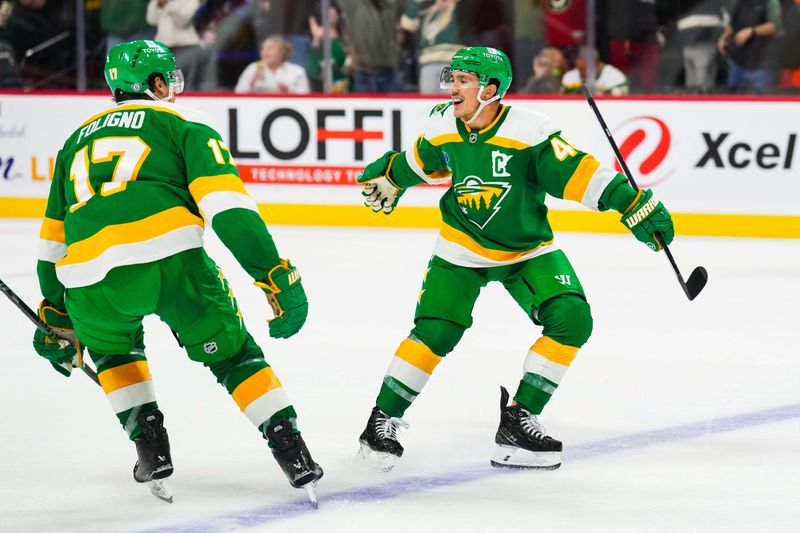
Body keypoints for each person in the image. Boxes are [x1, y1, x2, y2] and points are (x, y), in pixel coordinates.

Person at [354, 46, 674, 471]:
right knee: (435, 332)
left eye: (463, 81)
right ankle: (381, 421)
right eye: (452, 79)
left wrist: (629, 201)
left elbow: (578, 173)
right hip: (460, 246)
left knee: (572, 318)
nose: (452, 88)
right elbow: (424, 159)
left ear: (490, 90)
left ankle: (518, 421)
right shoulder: (443, 123)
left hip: (525, 249)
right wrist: (394, 174)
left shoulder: (529, 132)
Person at [32, 40, 323, 502]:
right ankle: (292, 450)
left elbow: (51, 247)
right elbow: (228, 210)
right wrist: (274, 274)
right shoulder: (183, 123)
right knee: (232, 355)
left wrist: (56, 315)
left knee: (113, 354)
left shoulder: (73, 143)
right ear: (157, 83)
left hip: (89, 281)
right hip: (171, 262)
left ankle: (151, 448)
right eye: (169, 78)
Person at [718, 0, 783, 94]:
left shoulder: (770, 2)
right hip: (737, 62)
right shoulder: (739, 3)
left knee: (762, 100)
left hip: (761, 63)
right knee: (733, 98)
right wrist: (723, 38)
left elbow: (775, 27)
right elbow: (731, 25)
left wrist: (752, 31)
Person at [146, 0, 206, 90]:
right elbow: (151, 20)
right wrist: (158, 5)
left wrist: (168, 4)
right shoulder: (158, 1)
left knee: (183, 85)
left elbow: (182, 21)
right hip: (163, 49)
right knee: (164, 84)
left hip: (186, 47)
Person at [676, 0, 728, 93]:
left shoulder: (714, 3)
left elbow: (725, 22)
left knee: (703, 85)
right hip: (688, 47)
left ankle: (704, 102)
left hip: (704, 46)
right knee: (691, 84)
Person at [234, 35, 310, 94]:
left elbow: (306, 97)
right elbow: (239, 92)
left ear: (281, 52)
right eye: (263, 49)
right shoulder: (253, 68)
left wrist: (288, 93)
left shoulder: (297, 72)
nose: (265, 53)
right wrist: (251, 82)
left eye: (270, 49)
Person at [561, 46, 629, 95]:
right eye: (580, 69)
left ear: (596, 63)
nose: (583, 73)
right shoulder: (569, 77)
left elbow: (621, 98)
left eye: (585, 68)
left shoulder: (614, 76)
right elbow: (562, 99)